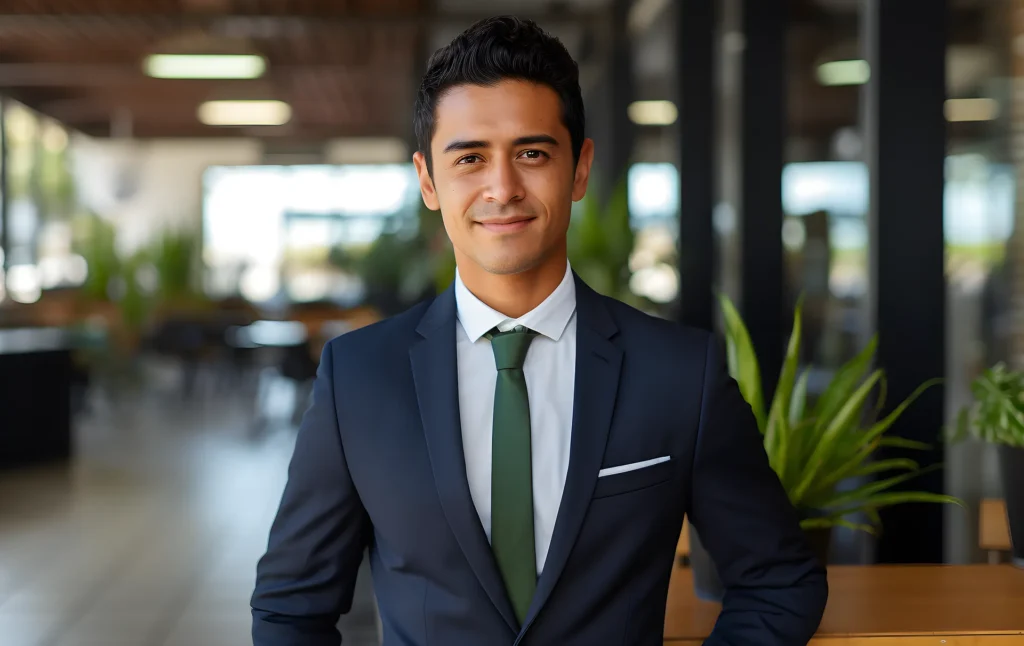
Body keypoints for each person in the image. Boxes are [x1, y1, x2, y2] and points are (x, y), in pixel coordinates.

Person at [251, 15, 828, 646]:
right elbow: (290, 609)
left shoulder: (678, 374)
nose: (502, 188)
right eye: (470, 157)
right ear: (427, 181)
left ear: (579, 169)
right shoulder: (358, 377)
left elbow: (777, 578)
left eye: (531, 153)